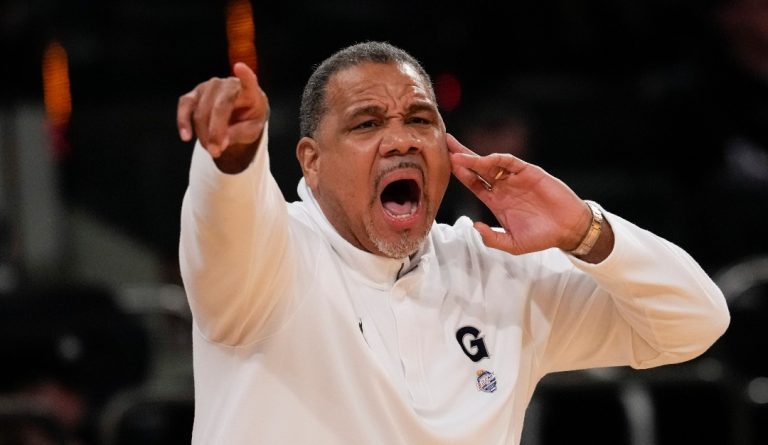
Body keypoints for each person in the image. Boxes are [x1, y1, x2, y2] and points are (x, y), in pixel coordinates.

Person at [176, 41, 730, 444]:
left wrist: (586, 231)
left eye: (420, 120)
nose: (400, 140)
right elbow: (227, 223)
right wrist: (233, 153)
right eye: (367, 124)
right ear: (312, 162)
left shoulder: (494, 267)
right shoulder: (272, 257)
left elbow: (694, 324)